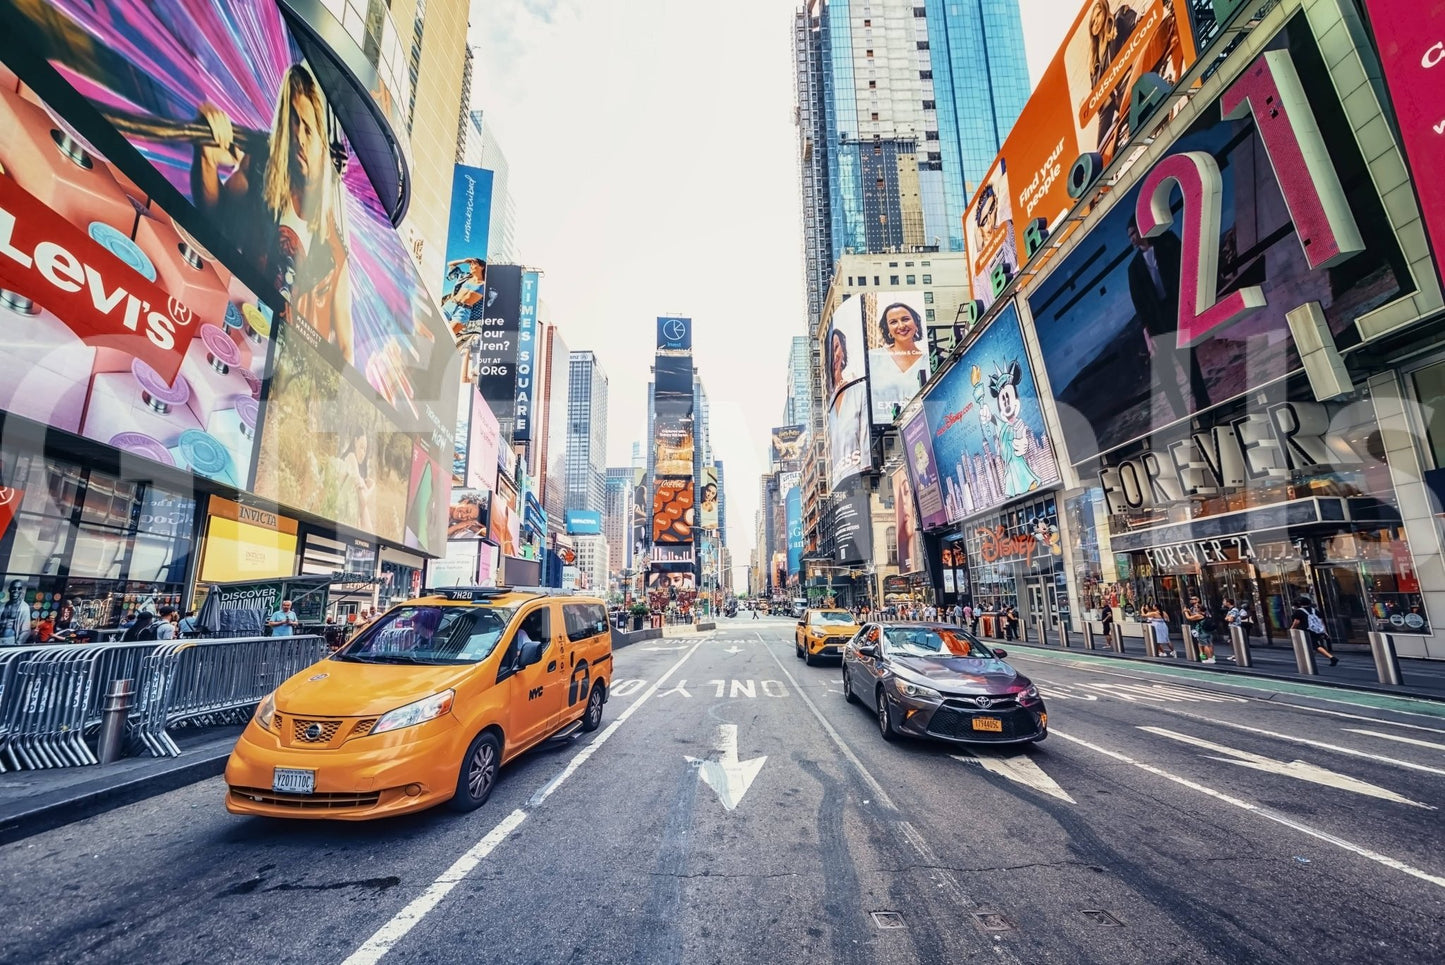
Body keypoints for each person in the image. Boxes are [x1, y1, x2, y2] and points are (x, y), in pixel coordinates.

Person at [194, 63, 354, 363]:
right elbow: (213, 217)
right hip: (232, 337)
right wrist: (205, 156)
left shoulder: (335, 252)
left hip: (285, 376)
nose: (300, 140)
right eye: (293, 124)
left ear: (324, 145)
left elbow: (346, 348)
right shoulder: (259, 174)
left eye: (308, 128)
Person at [1127, 217, 1208, 421]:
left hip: (1178, 314)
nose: (1132, 240)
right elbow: (1139, 304)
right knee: (1167, 376)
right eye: (1129, 236)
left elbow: (1187, 263)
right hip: (1157, 327)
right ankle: (1182, 419)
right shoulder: (1133, 268)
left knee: (1190, 364)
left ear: (1142, 228)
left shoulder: (1167, 241)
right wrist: (1148, 333)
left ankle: (1205, 409)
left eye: (1133, 233)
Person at [977, 361, 1045, 497]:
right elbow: (993, 419)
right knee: (1012, 481)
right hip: (1009, 465)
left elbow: (1023, 440)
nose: (1007, 404)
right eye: (1003, 400)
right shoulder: (1002, 424)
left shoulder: (1019, 424)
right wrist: (986, 414)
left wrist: (1022, 444)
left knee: (1023, 474)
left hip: (1018, 462)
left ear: (1016, 400)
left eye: (1009, 398)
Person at [825, 326, 871, 485]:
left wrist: (866, 468)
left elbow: (865, 435)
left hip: (861, 477)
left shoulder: (858, 388)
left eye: (836, 347)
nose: (834, 357)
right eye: (830, 354)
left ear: (843, 350)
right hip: (841, 481)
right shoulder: (830, 403)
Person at [868, 302, 929, 420]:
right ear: (887, 329)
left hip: (923, 424)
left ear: (916, 324)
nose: (901, 326)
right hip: (885, 429)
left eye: (905, 319)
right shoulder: (873, 357)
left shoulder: (929, 359)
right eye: (893, 322)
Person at [338, 431, 377, 534]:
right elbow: (363, 501)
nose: (363, 453)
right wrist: (372, 487)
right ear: (355, 441)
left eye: (365, 450)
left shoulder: (353, 467)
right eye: (361, 447)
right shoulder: (351, 457)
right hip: (342, 516)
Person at [441, 257, 489, 340]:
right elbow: (450, 264)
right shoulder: (465, 277)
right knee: (433, 324)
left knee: (446, 335)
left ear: (482, 267)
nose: (470, 266)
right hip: (450, 305)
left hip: (463, 311)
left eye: (473, 264)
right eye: (470, 264)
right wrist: (463, 261)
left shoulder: (487, 284)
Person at [1291, 597, 1338, 666]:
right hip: (1317, 630)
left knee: (1315, 646)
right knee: (1313, 646)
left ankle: (1332, 658)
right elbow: (1321, 622)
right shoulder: (1315, 610)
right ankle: (1310, 660)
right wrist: (1324, 631)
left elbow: (1296, 622)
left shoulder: (1299, 611)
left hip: (1306, 631)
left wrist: (1292, 629)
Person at [1183, 595, 1215, 663]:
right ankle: (1212, 657)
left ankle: (1209, 658)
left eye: (1197, 608)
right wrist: (1190, 612)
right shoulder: (1204, 613)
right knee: (1209, 644)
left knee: (1204, 644)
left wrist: (1185, 612)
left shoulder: (1199, 614)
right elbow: (1194, 616)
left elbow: (1189, 618)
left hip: (1201, 631)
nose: (1196, 609)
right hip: (1207, 630)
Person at [0, 579, 32, 646]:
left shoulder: (24, 607)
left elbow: (26, 630)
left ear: (21, 591)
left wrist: (18, 643)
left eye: (19, 589)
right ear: (9, 589)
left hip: (11, 641)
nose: (16, 591)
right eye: (14, 588)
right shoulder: (2, 606)